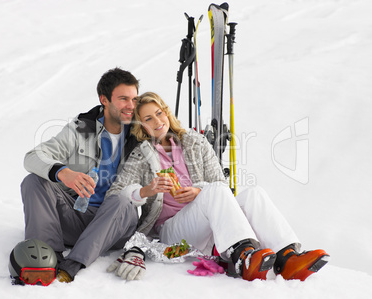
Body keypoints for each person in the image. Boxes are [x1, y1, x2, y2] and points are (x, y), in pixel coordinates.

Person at [105, 91, 329, 281]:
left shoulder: (195, 142)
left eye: (159, 114)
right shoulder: (140, 156)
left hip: (210, 224)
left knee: (253, 194)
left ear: (166, 112)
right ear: (141, 127)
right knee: (214, 192)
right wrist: (146, 190)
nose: (157, 122)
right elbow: (116, 194)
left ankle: (288, 258)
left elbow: (219, 184)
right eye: (148, 119)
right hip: (172, 232)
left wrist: (197, 191)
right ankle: (243, 258)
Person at [21, 67, 141, 283]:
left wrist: (141, 244)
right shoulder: (81, 129)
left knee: (123, 200)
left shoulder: (141, 133)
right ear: (104, 100)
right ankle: (46, 256)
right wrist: (64, 173)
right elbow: (32, 157)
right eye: (123, 99)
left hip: (115, 225)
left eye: (134, 99)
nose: (131, 106)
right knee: (34, 181)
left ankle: (73, 264)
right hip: (76, 215)